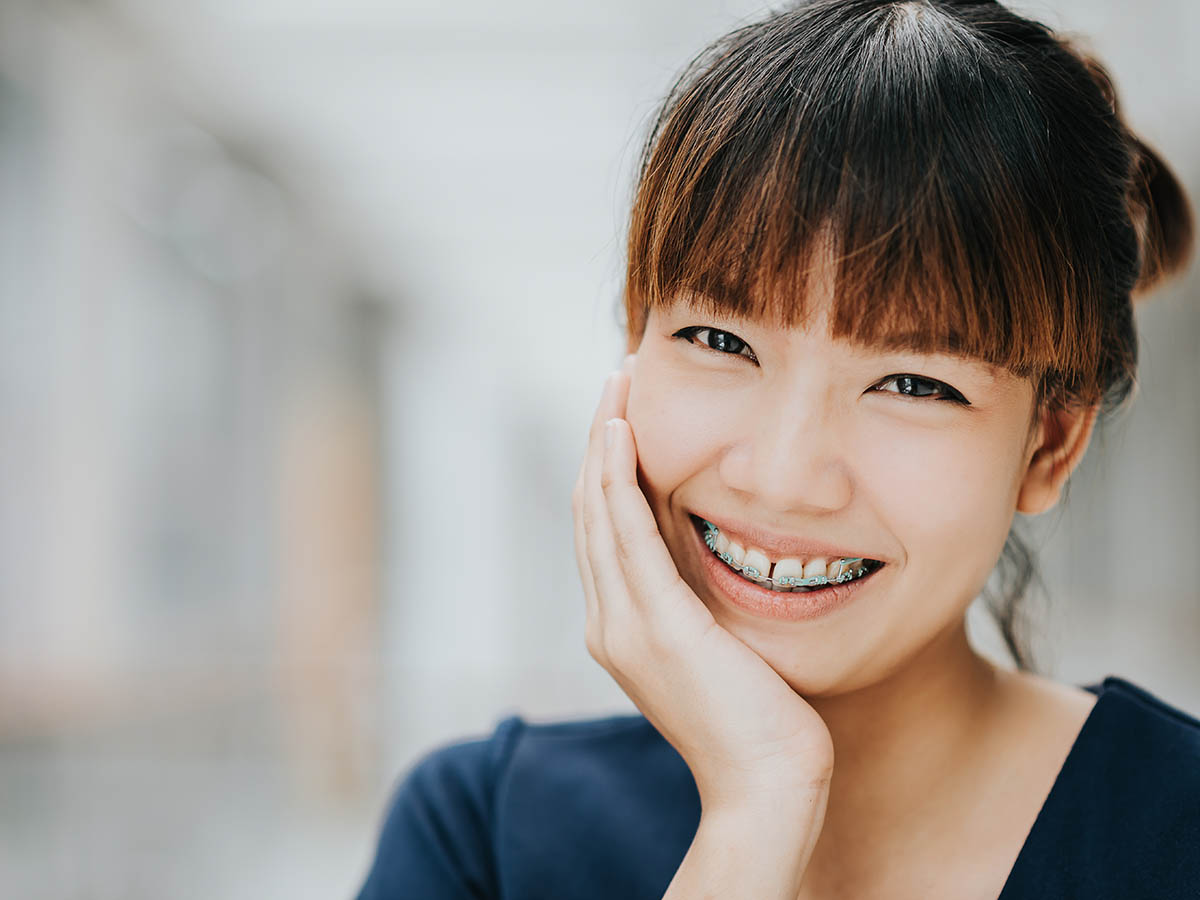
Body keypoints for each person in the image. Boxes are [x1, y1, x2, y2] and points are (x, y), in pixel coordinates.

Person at [354, 1, 1198, 897]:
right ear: (631, 350)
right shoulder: (483, 837)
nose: (784, 476)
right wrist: (759, 804)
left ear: (1050, 445)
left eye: (913, 385)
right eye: (721, 341)